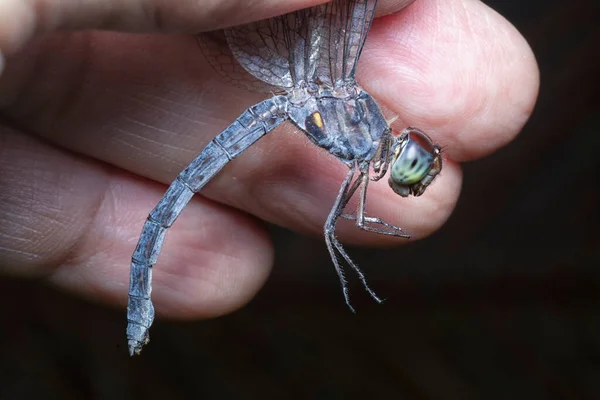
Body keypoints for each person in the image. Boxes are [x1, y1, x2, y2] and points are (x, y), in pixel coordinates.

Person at [0, 0, 539, 319]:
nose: (413, 168)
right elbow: (338, 223)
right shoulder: (356, 125)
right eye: (416, 164)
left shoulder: (361, 140)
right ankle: (142, 275)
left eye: (413, 168)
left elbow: (341, 219)